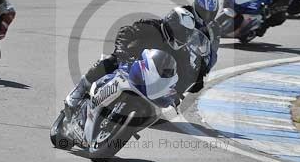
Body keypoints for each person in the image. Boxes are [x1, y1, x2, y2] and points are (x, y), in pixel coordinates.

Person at [64, 7, 199, 109]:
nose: (183, 37)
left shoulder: (182, 51)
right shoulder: (152, 26)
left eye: (187, 35)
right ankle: (81, 88)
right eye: (182, 32)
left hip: (151, 79)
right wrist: (122, 50)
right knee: (111, 60)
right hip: (129, 60)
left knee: (160, 106)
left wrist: (177, 92)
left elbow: (185, 73)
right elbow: (126, 31)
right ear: (172, 25)